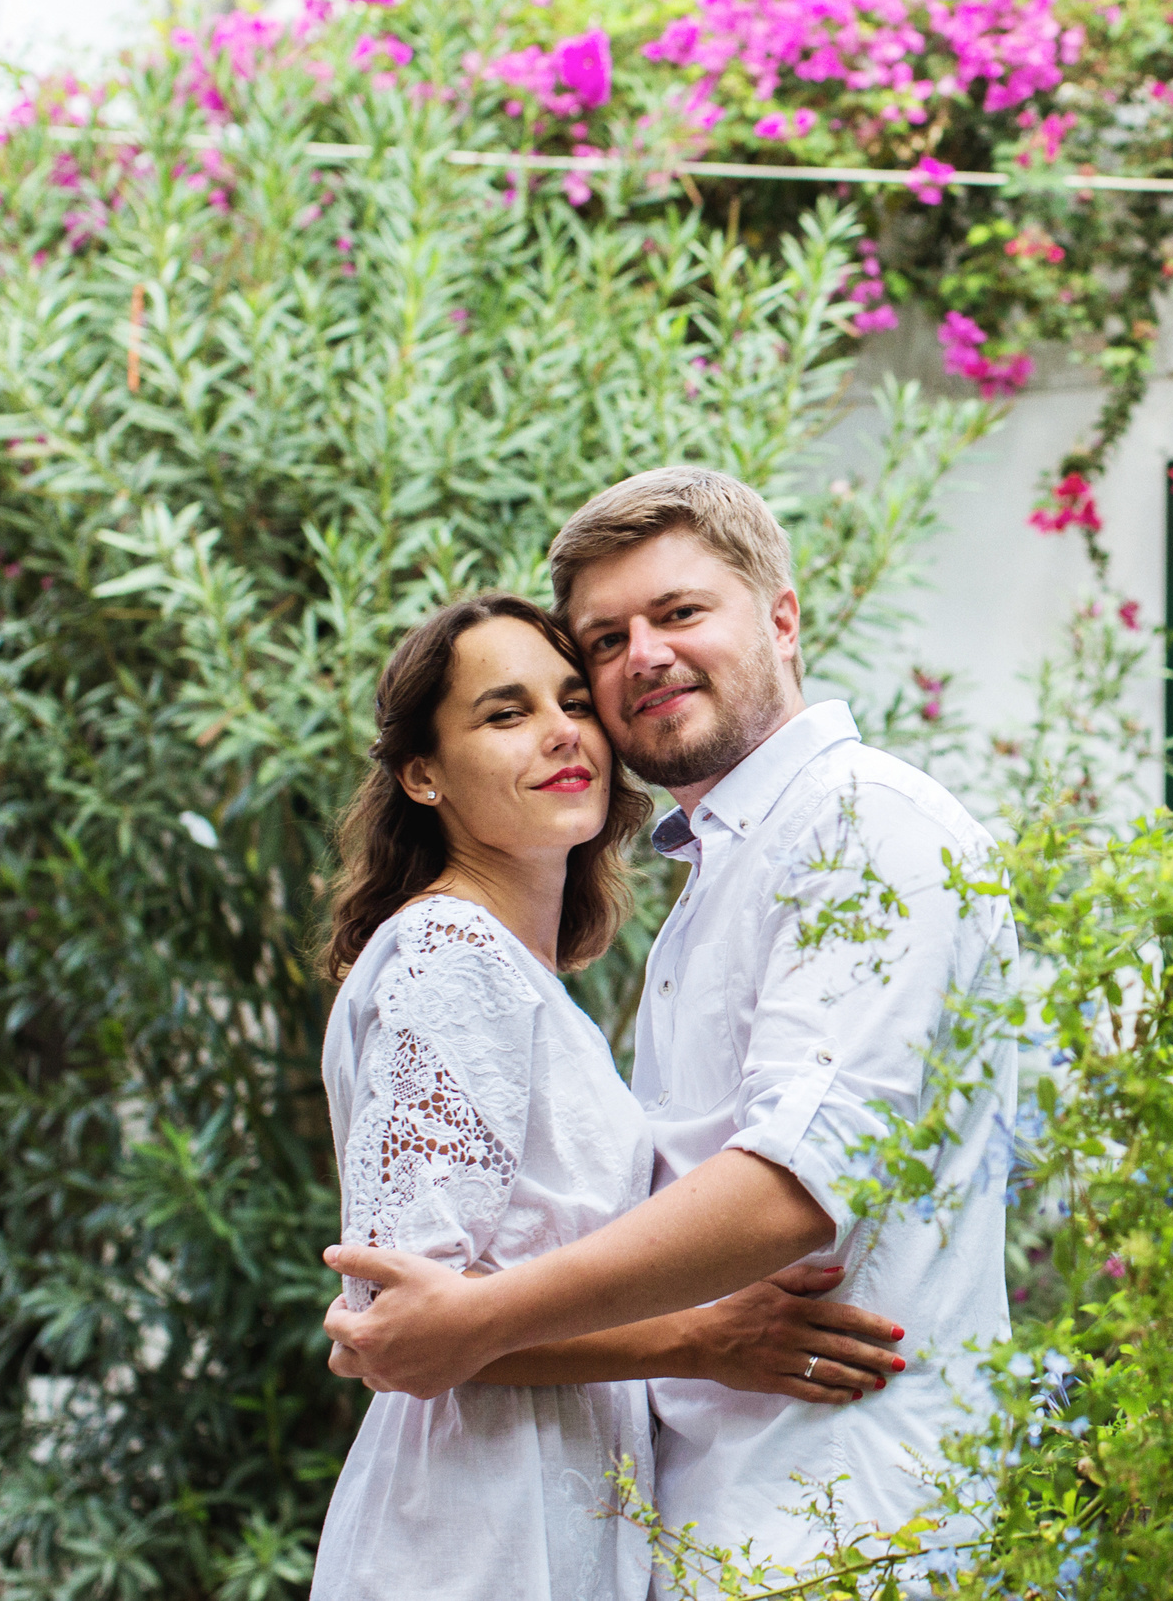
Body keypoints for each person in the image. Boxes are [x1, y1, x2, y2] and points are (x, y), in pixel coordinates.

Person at [323, 471, 1020, 1591]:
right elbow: (403, 1310)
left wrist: (485, 1320)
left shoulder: (861, 826)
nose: (639, 656)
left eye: (681, 612)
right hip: (679, 1527)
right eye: (605, 639)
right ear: (422, 773)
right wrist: (679, 1337)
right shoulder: (708, 883)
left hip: (838, 1512)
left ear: (782, 617)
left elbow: (796, 1180)